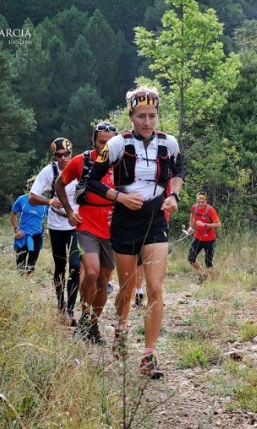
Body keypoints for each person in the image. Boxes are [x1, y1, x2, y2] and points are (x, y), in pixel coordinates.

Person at [86, 86, 184, 379]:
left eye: (152, 116)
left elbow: (178, 173)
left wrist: (174, 196)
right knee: (127, 289)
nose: (147, 122)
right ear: (131, 116)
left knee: (154, 286)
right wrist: (119, 197)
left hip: (155, 217)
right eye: (141, 116)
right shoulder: (117, 144)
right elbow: (91, 181)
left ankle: (149, 356)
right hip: (125, 218)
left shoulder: (169, 144)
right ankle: (121, 328)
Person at [55, 122, 118, 344]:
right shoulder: (81, 161)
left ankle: (91, 324)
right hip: (86, 224)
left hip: (112, 227)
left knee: (104, 279)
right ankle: (85, 316)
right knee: (91, 272)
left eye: (110, 142)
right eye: (102, 142)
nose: (106, 147)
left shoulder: (122, 162)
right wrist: (70, 210)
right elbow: (59, 184)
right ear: (93, 141)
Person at [29, 137, 81, 325]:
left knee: (76, 265)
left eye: (66, 154)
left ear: (71, 153)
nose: (63, 158)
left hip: (77, 223)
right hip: (57, 224)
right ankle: (60, 305)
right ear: (55, 156)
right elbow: (32, 197)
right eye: (59, 155)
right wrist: (49, 201)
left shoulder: (80, 167)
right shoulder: (49, 172)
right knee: (60, 266)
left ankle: (70, 309)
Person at [10, 177, 48, 276]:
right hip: (23, 236)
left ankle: (27, 285)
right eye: (34, 185)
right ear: (30, 186)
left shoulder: (45, 202)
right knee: (20, 265)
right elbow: (13, 214)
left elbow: (50, 216)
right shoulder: (22, 199)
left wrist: (47, 229)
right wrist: (16, 230)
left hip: (36, 236)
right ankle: (20, 286)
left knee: (31, 265)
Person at [187, 192, 222, 281]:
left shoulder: (210, 210)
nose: (200, 204)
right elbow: (192, 215)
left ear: (206, 201)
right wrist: (191, 227)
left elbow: (218, 224)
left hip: (210, 240)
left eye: (203, 202)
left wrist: (205, 225)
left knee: (208, 263)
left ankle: (215, 280)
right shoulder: (194, 208)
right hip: (198, 238)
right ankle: (202, 273)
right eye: (199, 202)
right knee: (191, 258)